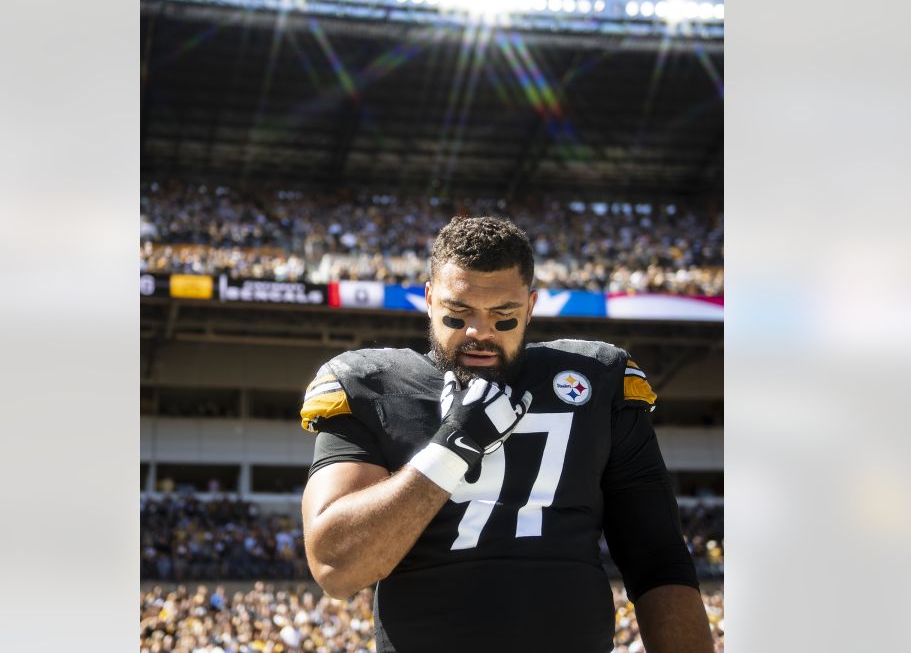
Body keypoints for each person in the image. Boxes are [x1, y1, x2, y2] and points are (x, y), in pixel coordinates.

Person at [299, 216, 713, 652]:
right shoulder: (373, 384)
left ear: (531, 307)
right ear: (428, 299)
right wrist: (454, 445)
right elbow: (336, 568)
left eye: (504, 318)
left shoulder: (599, 381)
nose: (479, 333)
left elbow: (659, 561)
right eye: (458, 315)